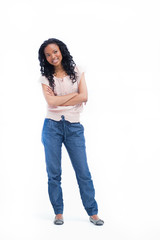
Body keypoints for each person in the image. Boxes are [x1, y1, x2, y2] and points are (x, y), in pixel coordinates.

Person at [38, 38, 104, 226]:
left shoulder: (78, 70)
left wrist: (60, 99)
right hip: (51, 127)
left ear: (62, 51)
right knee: (54, 173)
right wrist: (74, 97)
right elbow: (51, 103)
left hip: (74, 128)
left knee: (83, 171)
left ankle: (93, 212)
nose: (53, 56)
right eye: (48, 55)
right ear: (45, 58)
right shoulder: (45, 79)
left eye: (55, 52)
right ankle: (58, 213)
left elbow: (85, 96)